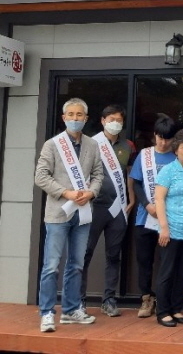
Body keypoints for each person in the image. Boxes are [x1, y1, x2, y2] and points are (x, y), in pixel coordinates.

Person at [34, 98, 103, 332]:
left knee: (77, 264)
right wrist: (66, 192)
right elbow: (41, 176)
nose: (75, 118)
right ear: (64, 118)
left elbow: (98, 175)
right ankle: (46, 312)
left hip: (83, 212)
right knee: (51, 265)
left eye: (79, 115)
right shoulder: (52, 145)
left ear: (86, 118)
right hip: (58, 213)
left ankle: (72, 309)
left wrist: (91, 193)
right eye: (71, 114)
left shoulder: (93, 145)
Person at [81, 104, 136, 317]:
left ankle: (109, 299)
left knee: (114, 255)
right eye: (111, 119)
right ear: (103, 120)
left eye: (119, 120)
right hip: (94, 206)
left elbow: (129, 173)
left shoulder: (128, 145)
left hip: (118, 207)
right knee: (85, 253)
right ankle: (79, 301)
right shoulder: (92, 143)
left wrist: (131, 197)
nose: (115, 123)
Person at [130, 114, 177, 318]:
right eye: (160, 137)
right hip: (145, 218)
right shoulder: (145, 155)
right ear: (155, 135)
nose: (163, 142)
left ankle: (162, 299)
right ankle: (146, 298)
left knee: (166, 262)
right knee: (144, 260)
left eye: (167, 138)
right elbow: (137, 183)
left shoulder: (176, 156)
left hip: (169, 219)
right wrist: (146, 204)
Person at [155, 129, 183, 327]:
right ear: (176, 150)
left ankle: (176, 308)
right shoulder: (168, 171)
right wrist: (164, 227)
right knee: (167, 272)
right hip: (171, 231)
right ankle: (162, 311)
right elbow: (158, 199)